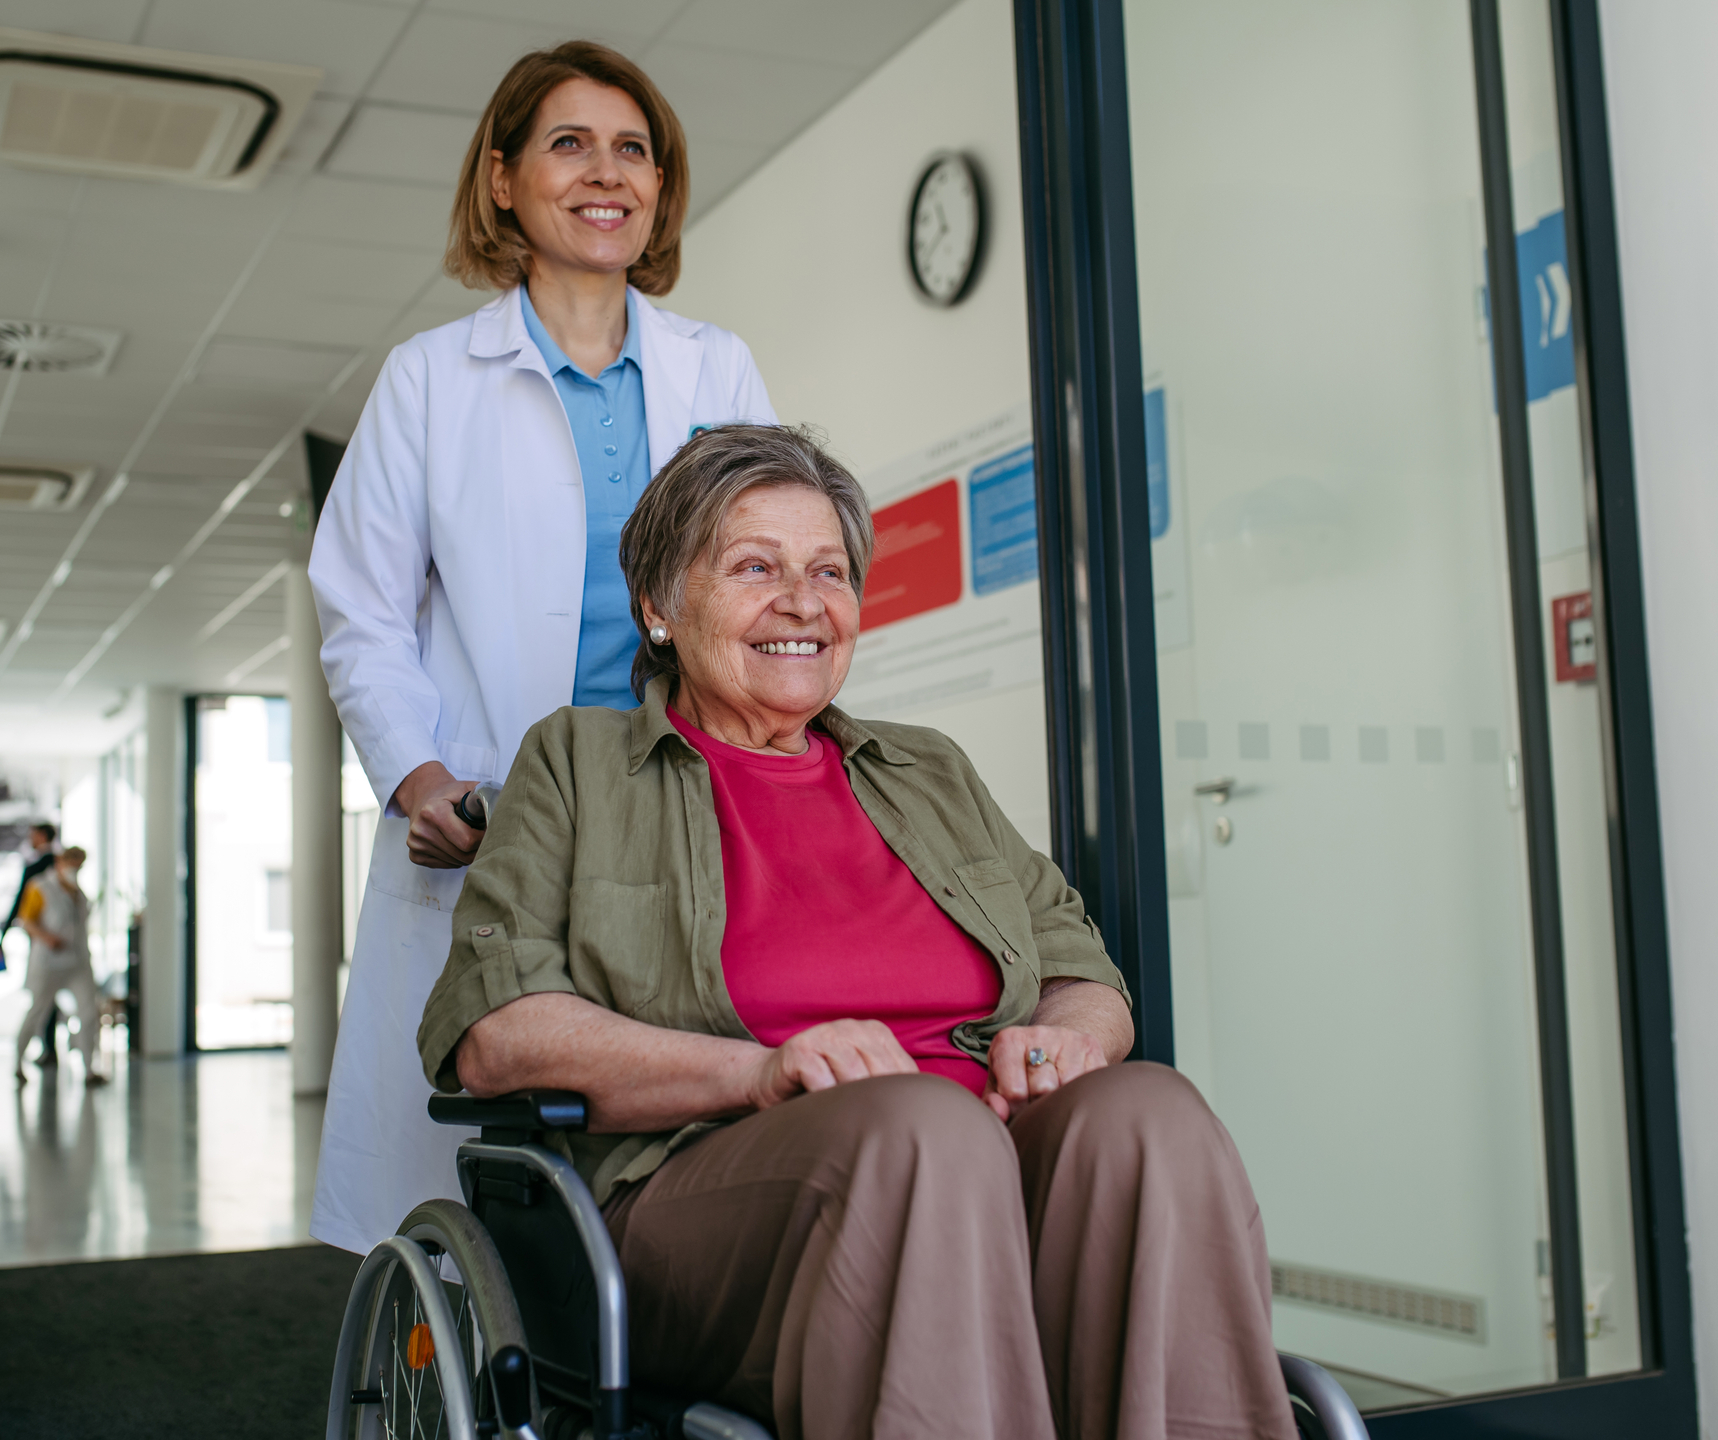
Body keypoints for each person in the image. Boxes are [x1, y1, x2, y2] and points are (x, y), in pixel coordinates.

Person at [418, 426, 1298, 1440]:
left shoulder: (927, 771)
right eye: (757, 567)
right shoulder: (578, 762)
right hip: (713, 1196)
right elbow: (497, 1034)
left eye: (828, 571)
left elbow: (1082, 973)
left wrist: (1073, 1038)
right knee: (924, 1130)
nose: (803, 601)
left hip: (985, 1163)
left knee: (1152, 1113)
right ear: (661, 606)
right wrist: (759, 1071)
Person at [309, 40, 776, 1254]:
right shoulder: (429, 381)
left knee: (682, 1144)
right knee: (485, 1166)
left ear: (661, 190)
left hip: (683, 805)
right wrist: (414, 774)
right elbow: (360, 607)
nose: (605, 172)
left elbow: (763, 575)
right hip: (502, 812)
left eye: (634, 149)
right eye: (569, 144)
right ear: (505, 179)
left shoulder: (714, 370)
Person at [12, 846, 105, 1088]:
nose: (75, 870)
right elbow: (25, 920)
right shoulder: (40, 887)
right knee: (37, 1013)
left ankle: (88, 1069)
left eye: (79, 866)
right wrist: (46, 937)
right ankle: (17, 1064)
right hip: (48, 962)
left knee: (88, 1013)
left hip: (77, 961)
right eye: (72, 864)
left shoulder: (79, 894)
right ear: (60, 863)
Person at [0, 821, 62, 1066]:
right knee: (48, 995)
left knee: (42, 995)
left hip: (44, 940)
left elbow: (20, 905)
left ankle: (44, 1047)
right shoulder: (58, 865)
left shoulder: (36, 868)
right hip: (59, 939)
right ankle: (48, 1046)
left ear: (42, 836)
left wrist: (3, 934)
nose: (29, 838)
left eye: (32, 834)